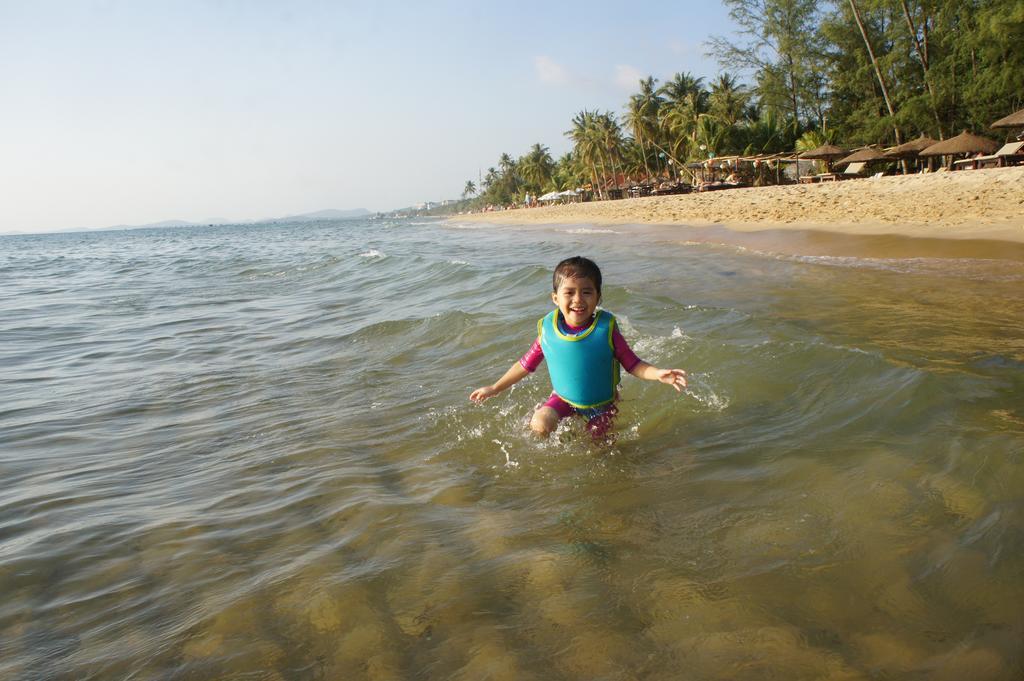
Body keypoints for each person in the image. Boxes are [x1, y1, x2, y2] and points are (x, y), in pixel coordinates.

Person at [469, 256, 687, 438]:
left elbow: (633, 364)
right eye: (569, 292)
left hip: (600, 405)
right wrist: (495, 388)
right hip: (562, 399)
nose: (578, 299)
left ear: (598, 297)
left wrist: (658, 374)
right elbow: (525, 364)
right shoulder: (548, 330)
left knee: (600, 447)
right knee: (540, 423)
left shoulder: (607, 330)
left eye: (587, 292)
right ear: (555, 298)